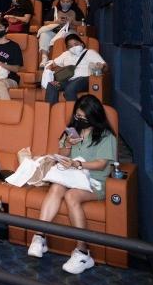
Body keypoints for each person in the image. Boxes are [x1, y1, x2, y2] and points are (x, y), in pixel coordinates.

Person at [27, 95, 117, 274]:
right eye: (78, 116)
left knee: (71, 195)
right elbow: (63, 153)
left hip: (94, 180)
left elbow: (102, 164)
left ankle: (83, 252)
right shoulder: (72, 131)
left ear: (94, 116)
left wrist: (78, 164)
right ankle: (39, 236)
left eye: (84, 118)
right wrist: (67, 145)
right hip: (73, 175)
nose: (80, 120)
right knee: (56, 187)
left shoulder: (106, 135)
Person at [45, 34, 106, 104]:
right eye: (70, 46)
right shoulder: (66, 54)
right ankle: (51, 112)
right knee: (52, 85)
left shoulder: (90, 52)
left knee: (69, 89)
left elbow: (105, 66)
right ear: (67, 48)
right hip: (67, 80)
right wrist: (49, 67)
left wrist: (101, 66)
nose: (74, 47)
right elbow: (53, 63)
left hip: (84, 79)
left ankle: (75, 113)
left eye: (76, 44)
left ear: (82, 44)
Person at [38, 0, 86, 67]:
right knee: (44, 34)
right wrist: (57, 21)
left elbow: (82, 23)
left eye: (67, 2)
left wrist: (72, 21)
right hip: (56, 29)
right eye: (63, 1)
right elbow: (45, 22)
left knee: (68, 36)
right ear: (60, 1)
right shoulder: (55, 9)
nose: (65, 3)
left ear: (72, 2)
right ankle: (44, 57)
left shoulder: (76, 10)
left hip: (70, 30)